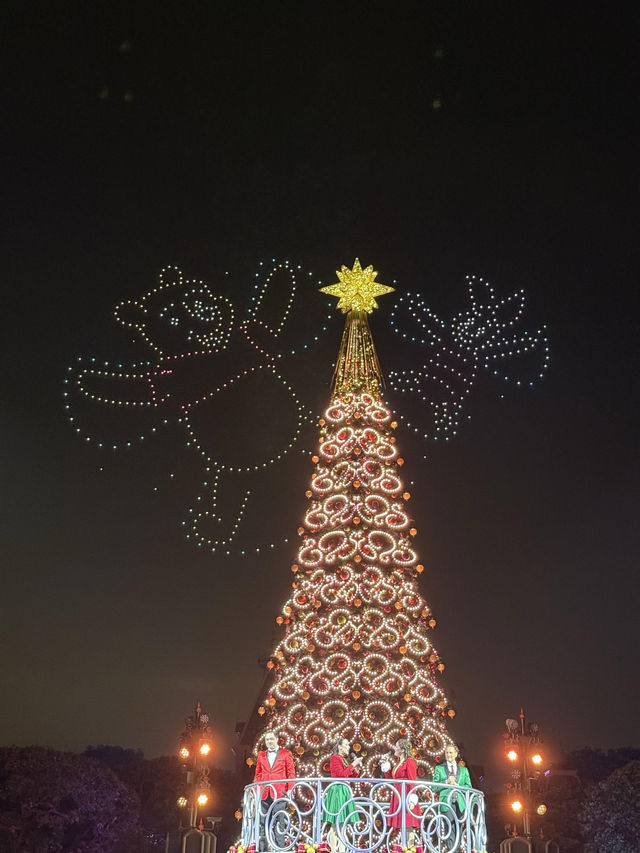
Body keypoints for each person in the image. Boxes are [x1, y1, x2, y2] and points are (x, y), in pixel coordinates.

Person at [254, 731, 296, 849]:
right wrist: (257, 790)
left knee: (279, 822)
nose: (269, 741)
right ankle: (263, 850)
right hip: (264, 793)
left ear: (277, 739)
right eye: (267, 740)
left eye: (271, 739)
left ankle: (279, 849)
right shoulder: (261, 755)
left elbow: (291, 773)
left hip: (279, 792)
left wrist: (290, 789)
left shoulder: (286, 754)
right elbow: (258, 774)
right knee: (263, 822)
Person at [322, 737, 363, 852]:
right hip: (337, 791)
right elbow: (341, 775)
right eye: (346, 744)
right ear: (340, 747)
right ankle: (334, 850)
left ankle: (342, 849)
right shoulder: (335, 757)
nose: (349, 747)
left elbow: (351, 776)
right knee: (336, 823)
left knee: (342, 824)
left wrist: (355, 768)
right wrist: (353, 764)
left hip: (344, 790)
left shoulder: (343, 759)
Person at [380, 738, 421, 845]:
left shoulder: (410, 761)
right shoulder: (399, 762)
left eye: (396, 746)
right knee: (402, 825)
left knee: (408, 823)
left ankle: (410, 849)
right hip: (398, 795)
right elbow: (392, 779)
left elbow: (412, 780)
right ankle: (405, 848)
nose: (394, 748)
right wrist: (386, 765)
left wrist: (412, 799)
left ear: (402, 750)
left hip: (406, 795)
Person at [432, 744, 472, 817]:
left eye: (450, 752)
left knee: (459, 828)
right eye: (446, 752)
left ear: (456, 754)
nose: (448, 754)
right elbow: (434, 787)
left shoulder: (464, 770)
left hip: (460, 805)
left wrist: (459, 786)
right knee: (449, 828)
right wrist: (446, 782)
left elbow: (469, 787)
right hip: (446, 804)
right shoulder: (439, 768)